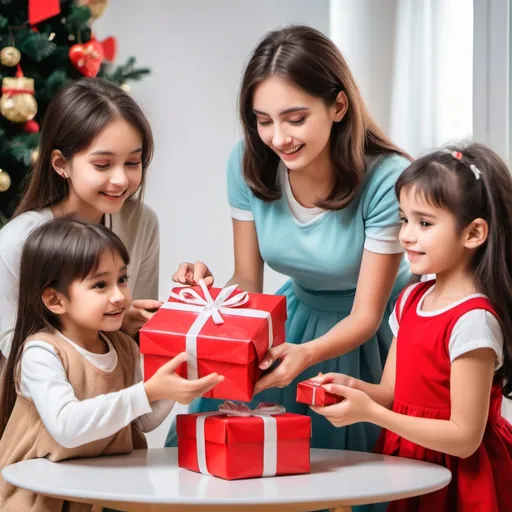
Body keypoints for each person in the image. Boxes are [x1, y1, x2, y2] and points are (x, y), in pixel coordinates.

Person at [169, 24, 412, 457]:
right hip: (296, 322)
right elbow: (247, 278)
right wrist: (208, 306)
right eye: (264, 121)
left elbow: (367, 316)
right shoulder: (247, 162)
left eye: (295, 118)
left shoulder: (385, 178)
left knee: (343, 468)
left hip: (377, 340)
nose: (278, 137)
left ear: (338, 106)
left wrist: (306, 355)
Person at [312, 143, 512, 511]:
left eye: (424, 223)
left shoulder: (473, 321)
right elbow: (392, 392)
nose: (406, 234)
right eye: (404, 219)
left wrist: (372, 414)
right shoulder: (410, 300)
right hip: (411, 462)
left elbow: (465, 437)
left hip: (463, 477)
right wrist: (356, 390)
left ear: (473, 233)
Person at [0, 218, 223, 511]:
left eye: (122, 279)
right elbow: (67, 426)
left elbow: (143, 420)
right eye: (100, 285)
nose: (119, 295)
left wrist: (178, 374)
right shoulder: (41, 353)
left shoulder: (124, 347)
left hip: (100, 492)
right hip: (41, 498)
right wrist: (148, 392)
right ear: (55, 300)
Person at [0, 77, 161, 369]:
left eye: (133, 162)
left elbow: (138, 334)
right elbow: (16, 355)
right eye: (102, 165)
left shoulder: (142, 222)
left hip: (118, 395)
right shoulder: (17, 241)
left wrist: (134, 322)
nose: (121, 180)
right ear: (61, 164)